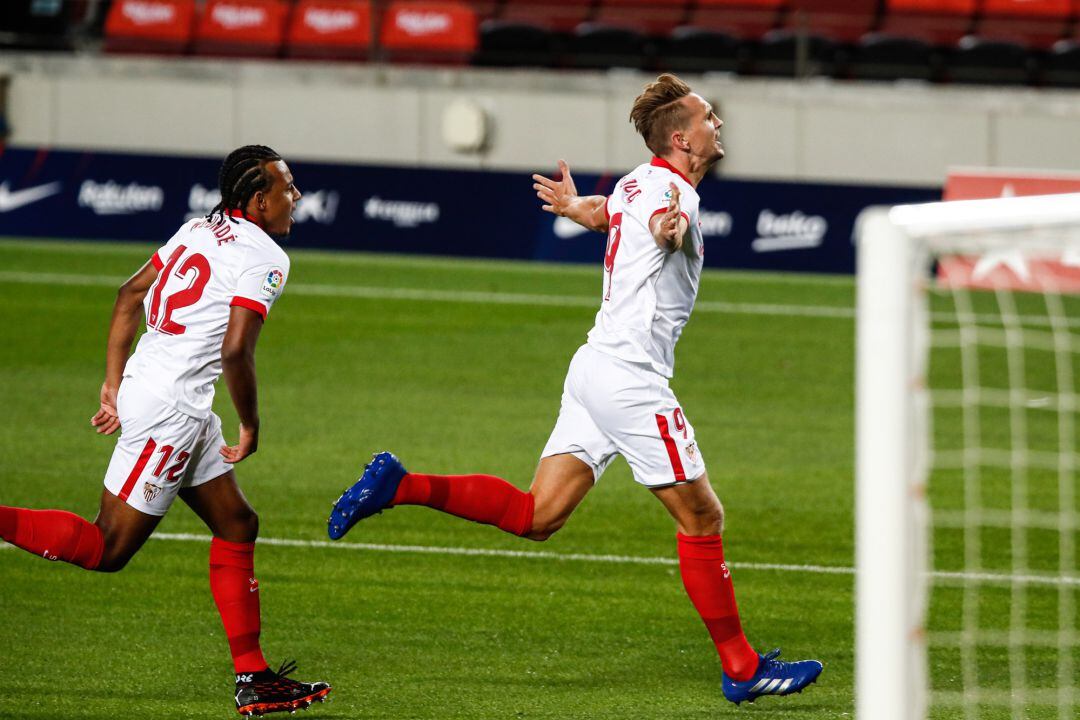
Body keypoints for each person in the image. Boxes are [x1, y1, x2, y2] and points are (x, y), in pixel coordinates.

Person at [327, 75, 822, 705]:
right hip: (630, 382)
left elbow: (607, 212)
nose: (716, 120)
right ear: (680, 137)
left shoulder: (636, 182)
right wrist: (670, 228)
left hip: (593, 369)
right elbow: (662, 223)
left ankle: (401, 484)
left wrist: (571, 206)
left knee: (539, 516)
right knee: (703, 517)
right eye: (706, 116)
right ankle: (741, 668)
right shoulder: (673, 192)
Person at [0, 145, 331, 717]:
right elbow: (235, 352)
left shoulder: (197, 228)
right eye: (287, 188)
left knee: (237, 522)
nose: (294, 197)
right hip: (172, 412)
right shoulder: (266, 258)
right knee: (107, 547)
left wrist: (113, 382)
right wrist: (250, 425)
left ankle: (253, 679)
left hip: (163, 393)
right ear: (258, 200)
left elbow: (129, 294)